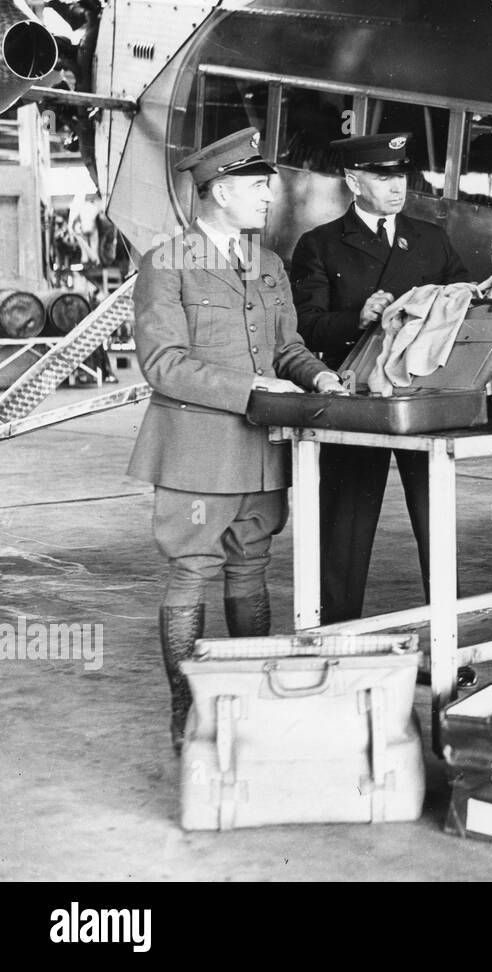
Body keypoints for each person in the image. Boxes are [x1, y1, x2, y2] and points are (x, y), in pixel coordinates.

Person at [128, 128, 345, 750]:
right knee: (191, 573)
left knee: (252, 569)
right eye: (256, 187)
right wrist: (249, 385)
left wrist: (316, 372)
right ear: (219, 190)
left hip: (262, 447)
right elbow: (163, 363)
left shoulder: (267, 263)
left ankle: (251, 704)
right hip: (197, 450)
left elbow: (287, 347)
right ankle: (186, 711)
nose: (267, 197)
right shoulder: (166, 262)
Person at [290, 132, 469, 624]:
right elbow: (304, 328)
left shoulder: (432, 239)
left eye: (401, 176)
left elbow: (464, 307)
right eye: (383, 176)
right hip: (356, 399)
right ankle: (338, 641)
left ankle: (448, 639)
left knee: (436, 523)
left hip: (423, 396)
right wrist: (357, 319)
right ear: (352, 181)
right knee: (346, 524)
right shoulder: (319, 245)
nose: (397, 187)